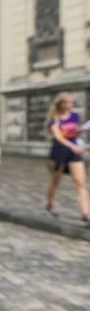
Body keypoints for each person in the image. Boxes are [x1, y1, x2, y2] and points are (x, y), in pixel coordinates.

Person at [44, 92, 90, 224]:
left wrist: (84, 129)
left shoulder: (75, 116)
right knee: (55, 181)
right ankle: (49, 204)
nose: (70, 104)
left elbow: (74, 131)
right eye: (68, 102)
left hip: (73, 153)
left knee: (80, 182)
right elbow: (58, 137)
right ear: (61, 104)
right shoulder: (54, 119)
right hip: (59, 152)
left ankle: (86, 213)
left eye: (71, 102)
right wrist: (72, 146)